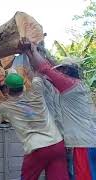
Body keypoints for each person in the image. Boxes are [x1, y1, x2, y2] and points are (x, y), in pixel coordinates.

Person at [20, 39, 96, 180]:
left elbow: (46, 69)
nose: (58, 72)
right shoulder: (75, 87)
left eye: (61, 70)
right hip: (85, 143)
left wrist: (34, 50)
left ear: (67, 71)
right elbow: (43, 71)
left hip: (81, 145)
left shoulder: (71, 86)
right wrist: (28, 53)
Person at [0, 73, 69, 180]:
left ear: (7, 89)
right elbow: (37, 76)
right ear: (23, 86)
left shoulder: (5, 107)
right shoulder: (36, 94)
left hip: (37, 149)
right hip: (57, 144)